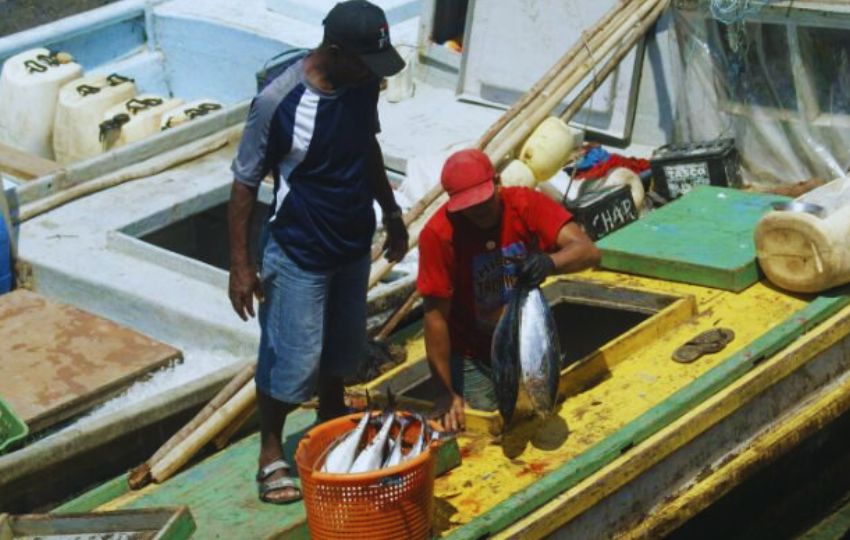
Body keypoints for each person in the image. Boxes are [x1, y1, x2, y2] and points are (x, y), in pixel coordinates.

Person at [227, 0, 408, 504]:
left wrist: (391, 214)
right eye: (365, 61)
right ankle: (270, 451)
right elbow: (243, 183)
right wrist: (241, 267)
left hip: (353, 243)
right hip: (299, 248)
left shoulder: (362, 82)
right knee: (291, 360)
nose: (373, 73)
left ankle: (333, 419)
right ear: (334, 52)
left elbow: (366, 146)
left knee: (343, 350)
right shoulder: (277, 101)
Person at [417, 149, 601, 432]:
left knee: (538, 411)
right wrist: (445, 391)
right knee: (495, 427)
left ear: (498, 183)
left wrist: (549, 263)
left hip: (526, 339)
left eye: (484, 200)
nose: (479, 211)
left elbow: (588, 252)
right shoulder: (438, 235)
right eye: (469, 206)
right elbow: (435, 317)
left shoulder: (525, 203)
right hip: (472, 352)